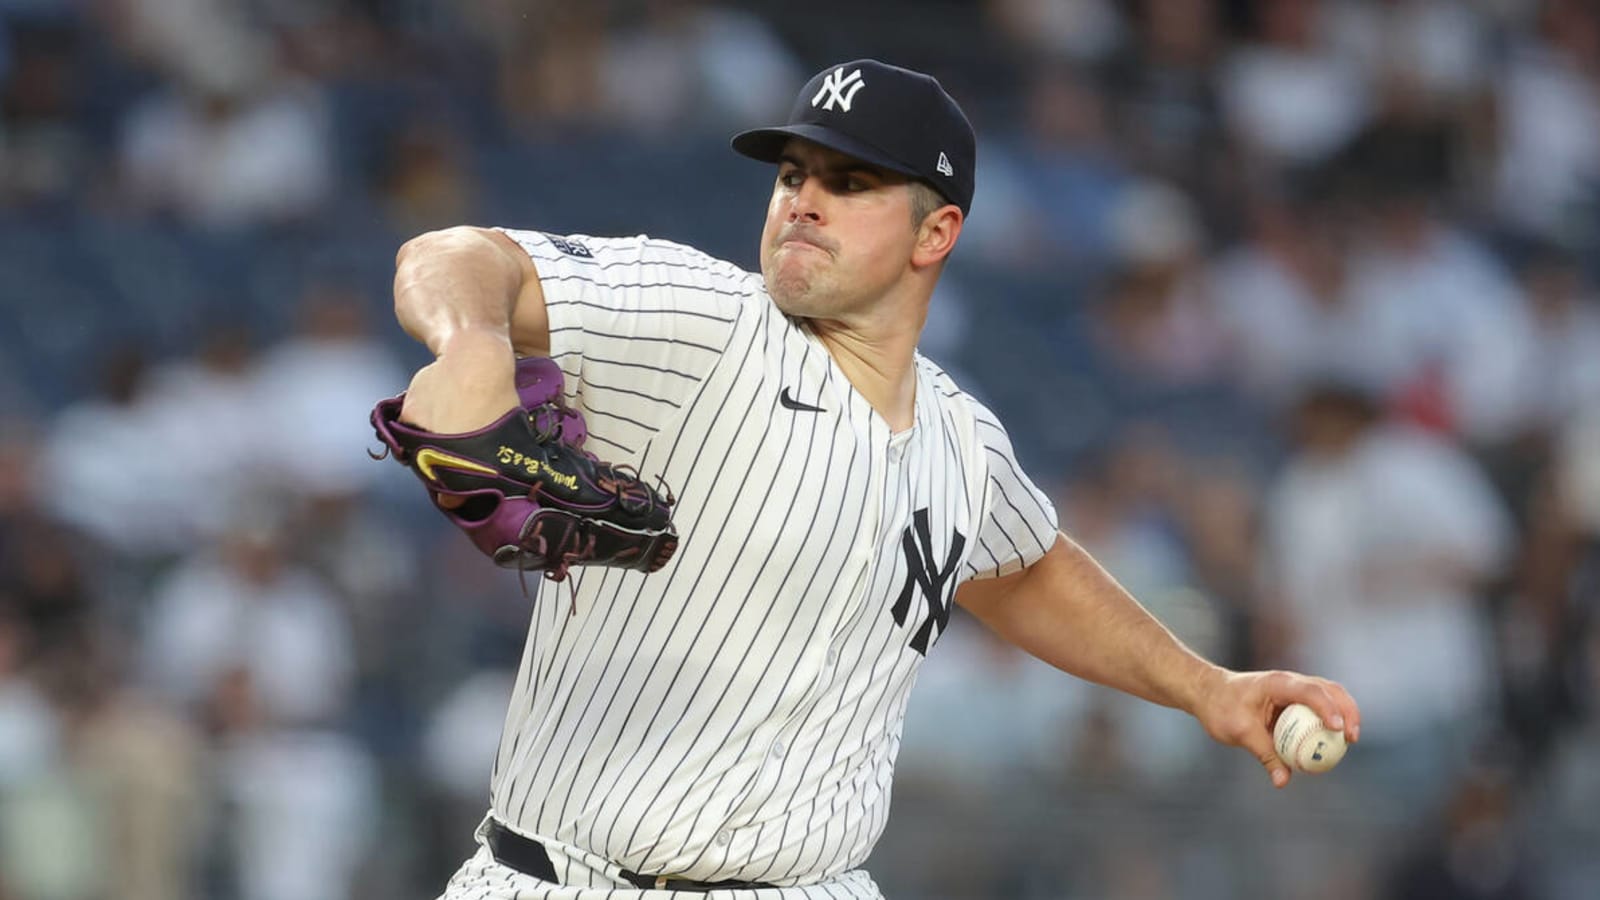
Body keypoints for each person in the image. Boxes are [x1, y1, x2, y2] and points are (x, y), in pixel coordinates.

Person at [389, 59, 1362, 899]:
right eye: (792, 174)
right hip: (572, 879)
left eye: (849, 182)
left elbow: (1022, 570)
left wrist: (1207, 688)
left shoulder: (960, 437)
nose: (801, 199)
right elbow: (453, 255)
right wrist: (471, 337)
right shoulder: (704, 324)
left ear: (934, 235)